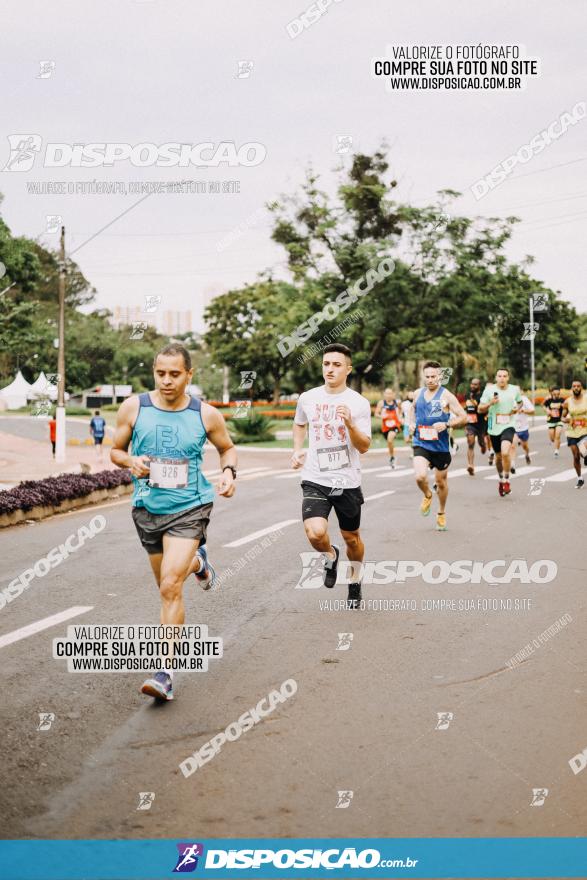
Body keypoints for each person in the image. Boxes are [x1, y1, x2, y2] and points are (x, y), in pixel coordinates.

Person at [111, 343, 237, 701]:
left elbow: (227, 447)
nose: (166, 381)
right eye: (160, 373)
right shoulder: (134, 407)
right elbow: (115, 449)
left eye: (175, 374)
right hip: (147, 509)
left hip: (191, 506)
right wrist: (129, 461)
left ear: (189, 375)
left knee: (170, 585)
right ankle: (199, 562)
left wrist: (228, 472)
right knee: (167, 582)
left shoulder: (205, 414)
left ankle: (164, 673)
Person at [291, 343, 371, 609]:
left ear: (348, 369)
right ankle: (330, 554)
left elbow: (364, 446)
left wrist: (349, 424)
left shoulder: (358, 403)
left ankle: (355, 579)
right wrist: (297, 450)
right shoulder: (308, 397)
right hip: (315, 477)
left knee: (352, 538)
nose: (330, 369)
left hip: (347, 481)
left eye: (337, 365)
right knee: (315, 533)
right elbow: (299, 422)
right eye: (326, 364)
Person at [408, 361, 467, 531]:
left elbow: (463, 417)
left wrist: (447, 424)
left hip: (440, 447)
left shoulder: (446, 395)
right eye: (427, 377)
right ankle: (427, 494)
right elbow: (411, 411)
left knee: (441, 482)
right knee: (420, 477)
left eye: (433, 376)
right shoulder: (418, 393)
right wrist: (411, 424)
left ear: (440, 376)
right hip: (421, 443)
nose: (430, 380)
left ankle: (441, 512)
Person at [478, 369, 523, 497]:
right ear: (496, 377)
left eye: (504, 376)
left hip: (509, 425)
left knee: (505, 452)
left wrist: (516, 409)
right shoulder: (489, 390)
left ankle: (507, 480)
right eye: (499, 376)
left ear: (508, 377)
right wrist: (490, 403)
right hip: (494, 427)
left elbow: (520, 403)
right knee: (498, 457)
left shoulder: (514, 389)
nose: (502, 378)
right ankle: (500, 479)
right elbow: (480, 409)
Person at [562, 379, 587, 488]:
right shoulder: (567, 402)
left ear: (581, 387)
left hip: (585, 429)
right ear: (571, 388)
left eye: (578, 386)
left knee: (583, 451)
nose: (576, 388)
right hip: (572, 431)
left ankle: (586, 456)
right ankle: (580, 478)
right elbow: (562, 417)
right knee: (576, 456)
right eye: (574, 386)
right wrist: (566, 420)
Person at [464, 378, 487, 476]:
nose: (473, 386)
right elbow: (467, 407)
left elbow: (482, 408)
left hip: (481, 424)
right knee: (470, 443)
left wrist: (473, 401)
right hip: (470, 423)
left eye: (475, 384)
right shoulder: (467, 395)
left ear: (479, 386)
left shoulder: (483, 396)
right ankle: (470, 465)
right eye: (472, 384)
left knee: (481, 442)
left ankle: (483, 445)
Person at [374, 387, 402, 468]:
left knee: (390, 439)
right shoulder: (381, 403)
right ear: (384, 394)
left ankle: (392, 457)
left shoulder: (397, 402)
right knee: (389, 442)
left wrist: (400, 417)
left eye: (390, 393)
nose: (388, 395)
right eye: (386, 393)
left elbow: (400, 411)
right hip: (385, 427)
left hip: (395, 426)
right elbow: (376, 414)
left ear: (393, 394)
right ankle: (392, 457)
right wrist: (381, 416)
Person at [510, 394, 535, 473]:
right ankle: (512, 464)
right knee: (513, 446)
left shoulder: (524, 399)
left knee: (525, 446)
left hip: (523, 428)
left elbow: (532, 411)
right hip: (513, 427)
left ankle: (527, 454)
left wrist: (524, 411)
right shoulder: (509, 399)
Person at [543, 386, 566, 457]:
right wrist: (547, 411)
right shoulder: (549, 400)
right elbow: (543, 406)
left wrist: (564, 407)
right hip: (551, 420)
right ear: (552, 393)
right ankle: (556, 442)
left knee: (557, 435)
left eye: (558, 394)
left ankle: (556, 450)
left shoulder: (562, 400)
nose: (556, 395)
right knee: (552, 438)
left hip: (559, 420)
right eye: (555, 394)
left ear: (559, 393)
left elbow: (566, 408)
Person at [401, 391, 414, 456]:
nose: (411, 396)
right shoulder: (404, 403)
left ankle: (414, 451)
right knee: (406, 440)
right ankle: (415, 444)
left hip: (414, 424)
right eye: (410, 395)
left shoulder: (416, 402)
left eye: (412, 394)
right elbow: (402, 413)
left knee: (414, 438)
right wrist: (402, 419)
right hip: (406, 424)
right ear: (408, 396)